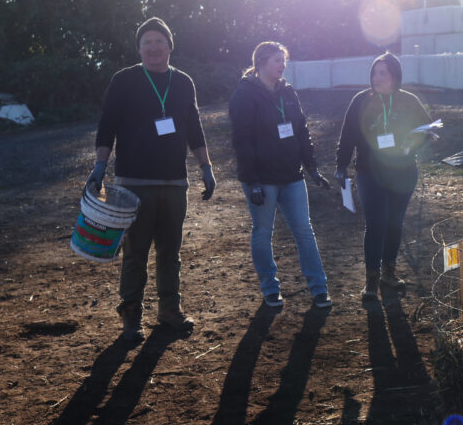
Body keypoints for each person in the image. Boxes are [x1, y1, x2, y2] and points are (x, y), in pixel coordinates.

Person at [88, 17, 215, 342]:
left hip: (174, 183)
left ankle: (169, 311)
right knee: (135, 252)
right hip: (134, 184)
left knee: (171, 252)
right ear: (139, 49)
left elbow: (194, 126)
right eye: (147, 42)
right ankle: (131, 315)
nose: (154, 47)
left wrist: (206, 167)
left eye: (160, 41)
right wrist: (100, 166)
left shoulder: (184, 82)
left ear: (170, 46)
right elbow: (107, 125)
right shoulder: (124, 80)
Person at [228, 42, 333, 309]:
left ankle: (319, 288)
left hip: (292, 176)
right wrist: (251, 182)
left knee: (304, 231)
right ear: (261, 62)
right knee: (262, 232)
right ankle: (270, 289)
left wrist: (311, 169)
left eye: (283, 60)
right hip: (262, 179)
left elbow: (302, 131)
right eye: (277, 60)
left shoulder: (288, 92)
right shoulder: (244, 95)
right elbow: (242, 141)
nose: (282, 65)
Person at [335, 52, 432, 300]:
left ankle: (389, 274)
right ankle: (371, 281)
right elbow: (347, 135)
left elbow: (428, 129)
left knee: (394, 224)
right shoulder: (361, 101)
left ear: (395, 77)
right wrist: (341, 165)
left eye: (383, 73)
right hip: (370, 172)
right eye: (374, 73)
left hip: (402, 173)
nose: (376, 78)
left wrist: (411, 146)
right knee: (375, 224)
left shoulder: (408, 101)